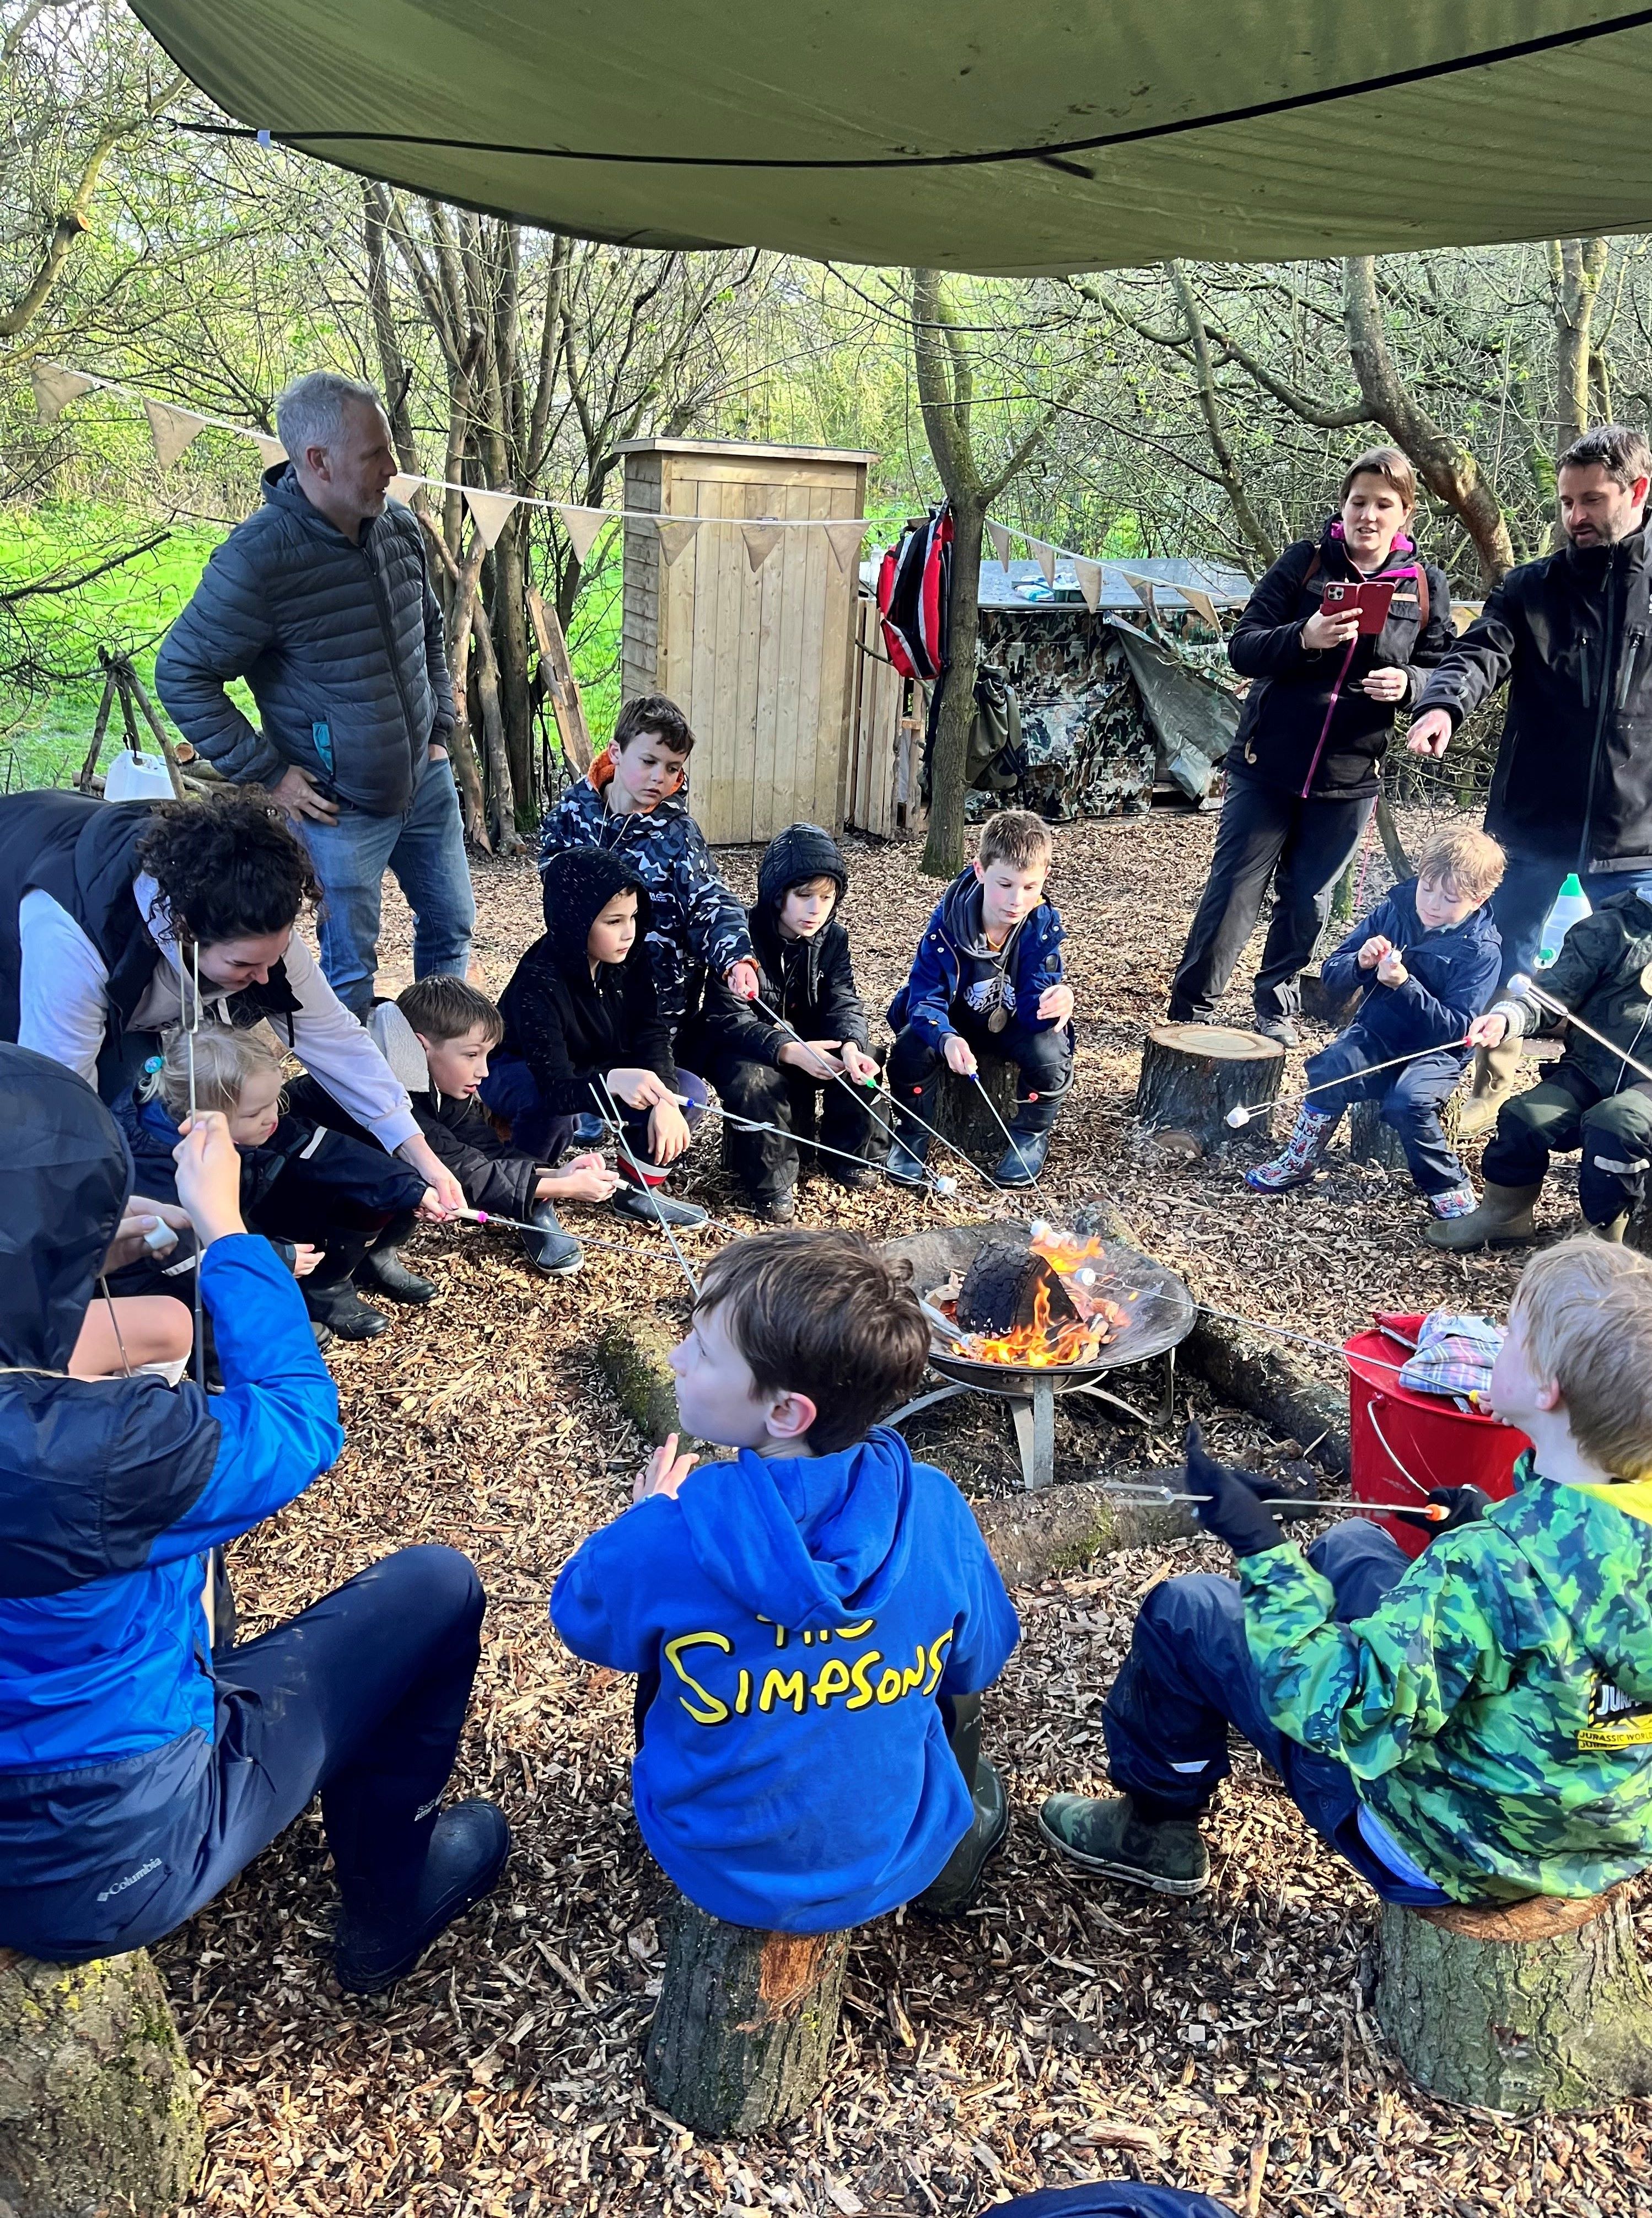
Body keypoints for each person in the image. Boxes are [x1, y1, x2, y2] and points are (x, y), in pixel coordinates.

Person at [0, 1046, 508, 1990]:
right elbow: (299, 1422)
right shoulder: (92, 1450)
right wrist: (229, 1233)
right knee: (436, 1588)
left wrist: (91, 1256)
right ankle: (392, 1903)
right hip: (97, 1853)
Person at [1040, 1236, 1652, 1909]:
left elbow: (1333, 1706)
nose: (1498, 1339)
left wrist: (1261, 1547)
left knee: (1184, 1612)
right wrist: (1484, 1517)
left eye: (1513, 1332)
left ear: (1547, 1388)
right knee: (1354, 1543)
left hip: (1458, 1850)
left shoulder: (1491, 1568)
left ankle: (1154, 1830)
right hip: (1596, 1831)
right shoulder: (1575, 1528)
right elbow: (1566, 1605)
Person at [550, 1230, 1021, 1930]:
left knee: (665, 1652)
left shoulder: (671, 1534)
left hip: (718, 1862)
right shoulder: (937, 1507)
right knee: (950, 1685)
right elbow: (982, 1657)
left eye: (704, 1351)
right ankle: (954, 1862)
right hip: (895, 1850)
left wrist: (645, 1517)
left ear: (785, 1412)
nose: (677, 1359)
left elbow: (584, 1622)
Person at [154, 369, 473, 1016]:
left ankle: (440, 1074)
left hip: (426, 782)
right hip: (339, 809)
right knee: (350, 962)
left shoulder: (399, 528)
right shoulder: (258, 561)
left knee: (452, 926)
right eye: (375, 454)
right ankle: (353, 1104)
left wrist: (438, 728)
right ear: (318, 461)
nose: (393, 467)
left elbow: (430, 627)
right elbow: (182, 673)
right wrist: (270, 772)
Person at [0, 785, 465, 1216]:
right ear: (185, 931)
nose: (264, 978)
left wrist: (415, 1150)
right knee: (102, 1124)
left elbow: (333, 1037)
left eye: (274, 956)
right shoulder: (71, 937)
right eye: (244, 967)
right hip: (20, 922)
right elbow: (58, 1090)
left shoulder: (250, 923)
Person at [1407, 425, 1652, 1131]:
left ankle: (1614, 1098)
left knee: (1631, 971)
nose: (1574, 516)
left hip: (1633, 824)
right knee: (1504, 952)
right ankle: (1491, 1080)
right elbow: (1479, 653)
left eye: (1592, 500)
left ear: (1637, 493)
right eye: (1567, 502)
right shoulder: (1530, 588)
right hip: (1530, 819)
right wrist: (1443, 706)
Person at [1168, 447, 1455, 1045]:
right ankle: (1190, 1010)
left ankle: (1275, 1005)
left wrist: (1412, 686)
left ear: (1405, 514)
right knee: (1235, 890)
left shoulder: (1424, 587)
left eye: (1383, 505)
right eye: (1358, 502)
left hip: (1349, 777)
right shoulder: (1306, 563)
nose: (1368, 516)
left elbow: (1443, 668)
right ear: (1343, 507)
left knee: (1307, 900)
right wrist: (1305, 636)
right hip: (1267, 763)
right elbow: (1243, 646)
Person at [115, 1025, 436, 1342]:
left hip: (225, 1239)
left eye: (276, 1102)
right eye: (256, 1112)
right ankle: (233, 1359)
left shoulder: (249, 1124)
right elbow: (184, 1255)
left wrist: (409, 1187)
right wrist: (275, 1259)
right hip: (157, 1284)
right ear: (200, 1117)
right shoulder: (155, 1171)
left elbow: (326, 1151)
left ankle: (316, 1292)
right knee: (210, 1307)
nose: (273, 1118)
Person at [1244, 828, 1504, 1220]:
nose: (1432, 904)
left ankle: (1448, 1187)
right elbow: (1331, 975)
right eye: (1427, 888)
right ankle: (1301, 1158)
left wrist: (1403, 986)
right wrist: (1359, 964)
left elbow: (1457, 1030)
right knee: (1330, 1068)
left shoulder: (1481, 950)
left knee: (1408, 1102)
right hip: (1377, 1033)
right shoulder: (1394, 910)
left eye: (1449, 899)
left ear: (1478, 899)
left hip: (1436, 1053)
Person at [288, 976, 622, 1279]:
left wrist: (556, 1174)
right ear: (421, 1047)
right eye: (471, 1056)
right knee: (415, 1180)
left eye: (487, 1057)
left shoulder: (442, 1084)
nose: (484, 1072)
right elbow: (463, 1173)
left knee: (416, 1183)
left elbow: (484, 1151)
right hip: (297, 1188)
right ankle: (328, 1286)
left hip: (350, 1181)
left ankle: (378, 1257)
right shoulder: (389, 1094)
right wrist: (563, 1188)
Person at [486, 847, 711, 1230]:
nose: (629, 932)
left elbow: (650, 1030)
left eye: (635, 917)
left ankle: (637, 1188)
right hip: (519, 1070)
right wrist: (611, 1083)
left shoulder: (630, 957)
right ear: (576, 923)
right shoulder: (539, 980)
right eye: (613, 921)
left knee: (687, 1092)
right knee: (551, 1109)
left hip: (592, 1065)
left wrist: (666, 1098)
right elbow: (555, 1087)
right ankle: (527, 1200)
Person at [1429, 883, 1652, 1250]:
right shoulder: (1610, 929)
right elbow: (1553, 993)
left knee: (1615, 1124)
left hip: (1645, 1087)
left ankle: (1601, 1240)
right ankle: (1504, 1216)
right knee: (1523, 1116)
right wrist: (1507, 1018)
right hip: (1590, 1069)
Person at [692, 823, 884, 1222]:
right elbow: (726, 1019)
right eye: (804, 896)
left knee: (865, 1057)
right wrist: (788, 1049)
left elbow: (843, 999)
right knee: (755, 1083)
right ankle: (772, 1181)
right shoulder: (740, 936)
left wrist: (849, 1043)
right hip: (748, 1047)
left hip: (813, 1040)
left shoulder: (833, 938)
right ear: (777, 895)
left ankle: (851, 1153)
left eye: (827, 897)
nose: (816, 909)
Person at [536, 694, 757, 1035]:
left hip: (657, 1008)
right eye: (649, 762)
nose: (659, 777)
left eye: (672, 768)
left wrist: (736, 957)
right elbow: (556, 899)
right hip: (578, 1003)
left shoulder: (679, 834)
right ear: (616, 754)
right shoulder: (570, 816)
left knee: (657, 1086)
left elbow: (709, 900)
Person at [885, 809, 1074, 1189]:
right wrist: (946, 1037)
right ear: (979, 870)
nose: (1015, 900)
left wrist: (1060, 998)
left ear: (1044, 879)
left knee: (1052, 1051)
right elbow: (924, 999)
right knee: (910, 1047)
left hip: (1010, 1022)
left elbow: (1037, 1005)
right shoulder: (945, 925)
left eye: (1029, 887)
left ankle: (1030, 1134)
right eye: (1004, 884)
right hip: (954, 1022)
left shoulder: (1040, 926)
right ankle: (912, 1132)